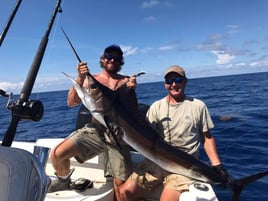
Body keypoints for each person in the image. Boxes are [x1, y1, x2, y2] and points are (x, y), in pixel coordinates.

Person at [119, 65, 231, 201]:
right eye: (169, 81)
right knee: (125, 192)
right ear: (165, 84)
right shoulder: (156, 107)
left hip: (185, 165)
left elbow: (206, 138)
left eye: (178, 80)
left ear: (185, 81)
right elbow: (143, 133)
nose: (173, 84)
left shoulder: (198, 106)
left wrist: (217, 165)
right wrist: (129, 91)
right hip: (157, 159)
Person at [48, 44, 138, 201]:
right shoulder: (92, 80)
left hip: (117, 135)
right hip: (95, 131)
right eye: (108, 56)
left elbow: (133, 111)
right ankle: (63, 181)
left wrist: (131, 91)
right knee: (57, 154)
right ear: (102, 59)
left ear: (120, 62)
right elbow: (71, 102)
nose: (112, 60)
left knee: (121, 189)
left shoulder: (125, 82)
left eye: (116, 58)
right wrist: (80, 78)